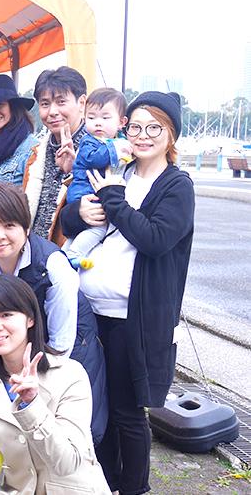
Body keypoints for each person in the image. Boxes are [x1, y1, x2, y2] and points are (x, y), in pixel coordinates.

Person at [60, 92, 195, 494]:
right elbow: (71, 220)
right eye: (135, 126)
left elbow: (155, 239)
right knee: (95, 407)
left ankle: (134, 488)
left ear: (170, 134)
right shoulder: (118, 167)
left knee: (128, 412)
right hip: (92, 311)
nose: (142, 135)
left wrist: (114, 200)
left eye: (154, 127)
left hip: (132, 319)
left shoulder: (176, 186)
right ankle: (104, 484)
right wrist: (78, 212)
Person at [0, 183, 107, 443]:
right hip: (5, 353)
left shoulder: (52, 265)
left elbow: (61, 343)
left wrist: (40, 387)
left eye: (9, 225)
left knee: (70, 431)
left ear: (26, 228)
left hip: (65, 347)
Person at [0, 275, 109, 494]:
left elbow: (67, 463)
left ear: (30, 319)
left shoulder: (70, 374)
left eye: (6, 315)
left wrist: (32, 404)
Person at [63, 88, 132, 267]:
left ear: (121, 122)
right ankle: (74, 254)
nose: (98, 123)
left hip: (90, 192)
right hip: (84, 192)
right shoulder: (89, 141)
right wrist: (116, 151)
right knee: (99, 227)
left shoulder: (113, 142)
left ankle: (64, 253)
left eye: (105, 118)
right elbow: (95, 159)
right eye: (92, 117)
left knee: (80, 231)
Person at [24, 66, 88, 242]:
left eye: (61, 102)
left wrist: (76, 170)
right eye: (45, 104)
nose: (52, 112)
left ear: (82, 103)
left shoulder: (97, 153)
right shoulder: (37, 154)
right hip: (35, 250)